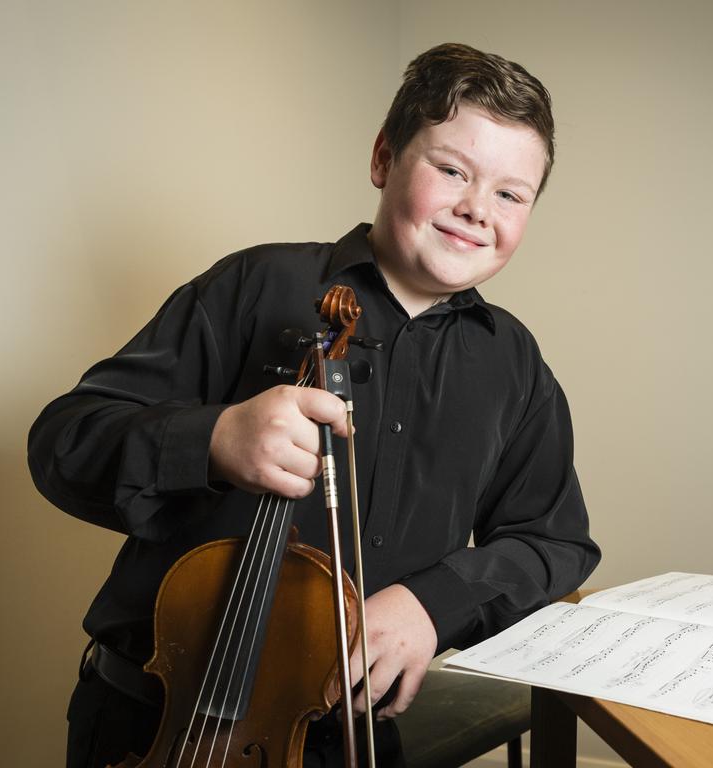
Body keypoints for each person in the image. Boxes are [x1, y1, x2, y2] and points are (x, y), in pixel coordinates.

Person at [29, 42, 600, 768]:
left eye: (510, 194)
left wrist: (433, 603)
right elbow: (62, 440)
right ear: (383, 160)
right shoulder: (253, 286)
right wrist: (213, 439)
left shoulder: (513, 364)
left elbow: (554, 541)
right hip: (148, 721)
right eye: (451, 169)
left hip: (348, 742)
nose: (474, 209)